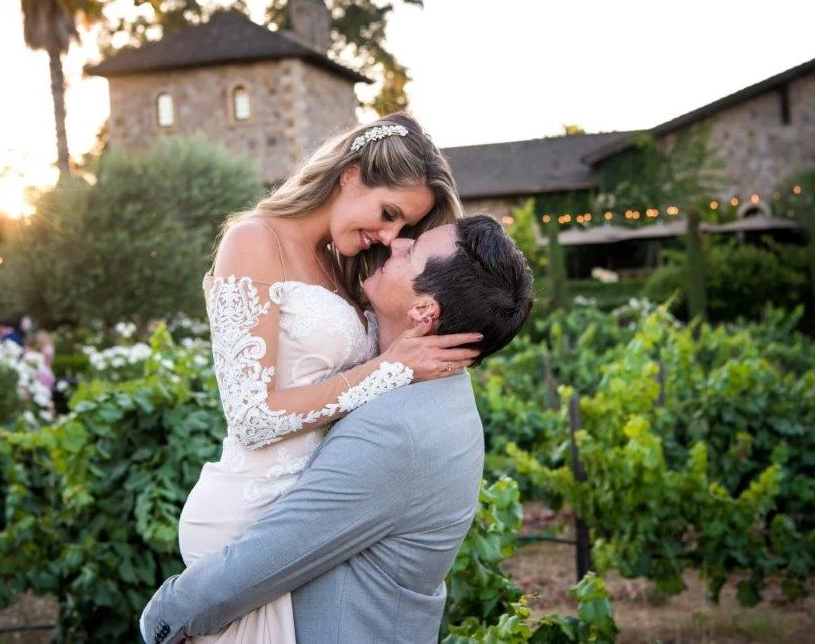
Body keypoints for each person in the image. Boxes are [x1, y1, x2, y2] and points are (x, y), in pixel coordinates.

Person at [140, 215, 534, 643]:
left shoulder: (399, 430)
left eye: (413, 250)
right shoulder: (436, 394)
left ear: (424, 311)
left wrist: (164, 615)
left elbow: (269, 556)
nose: (397, 244)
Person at [167, 113, 481, 643]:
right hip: (247, 519)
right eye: (388, 213)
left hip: (304, 523)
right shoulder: (253, 241)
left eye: (403, 229)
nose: (387, 236)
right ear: (351, 173)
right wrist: (389, 369)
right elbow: (251, 418)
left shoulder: (341, 264)